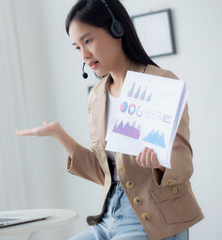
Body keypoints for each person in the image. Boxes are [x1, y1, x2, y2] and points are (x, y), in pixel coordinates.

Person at [15, 0, 204, 239]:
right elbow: (104, 172)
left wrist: (160, 163)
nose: (84, 54)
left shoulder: (160, 83)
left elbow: (184, 162)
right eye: (77, 47)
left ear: (117, 29)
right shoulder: (97, 95)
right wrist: (58, 133)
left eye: (88, 40)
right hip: (109, 218)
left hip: (153, 218)